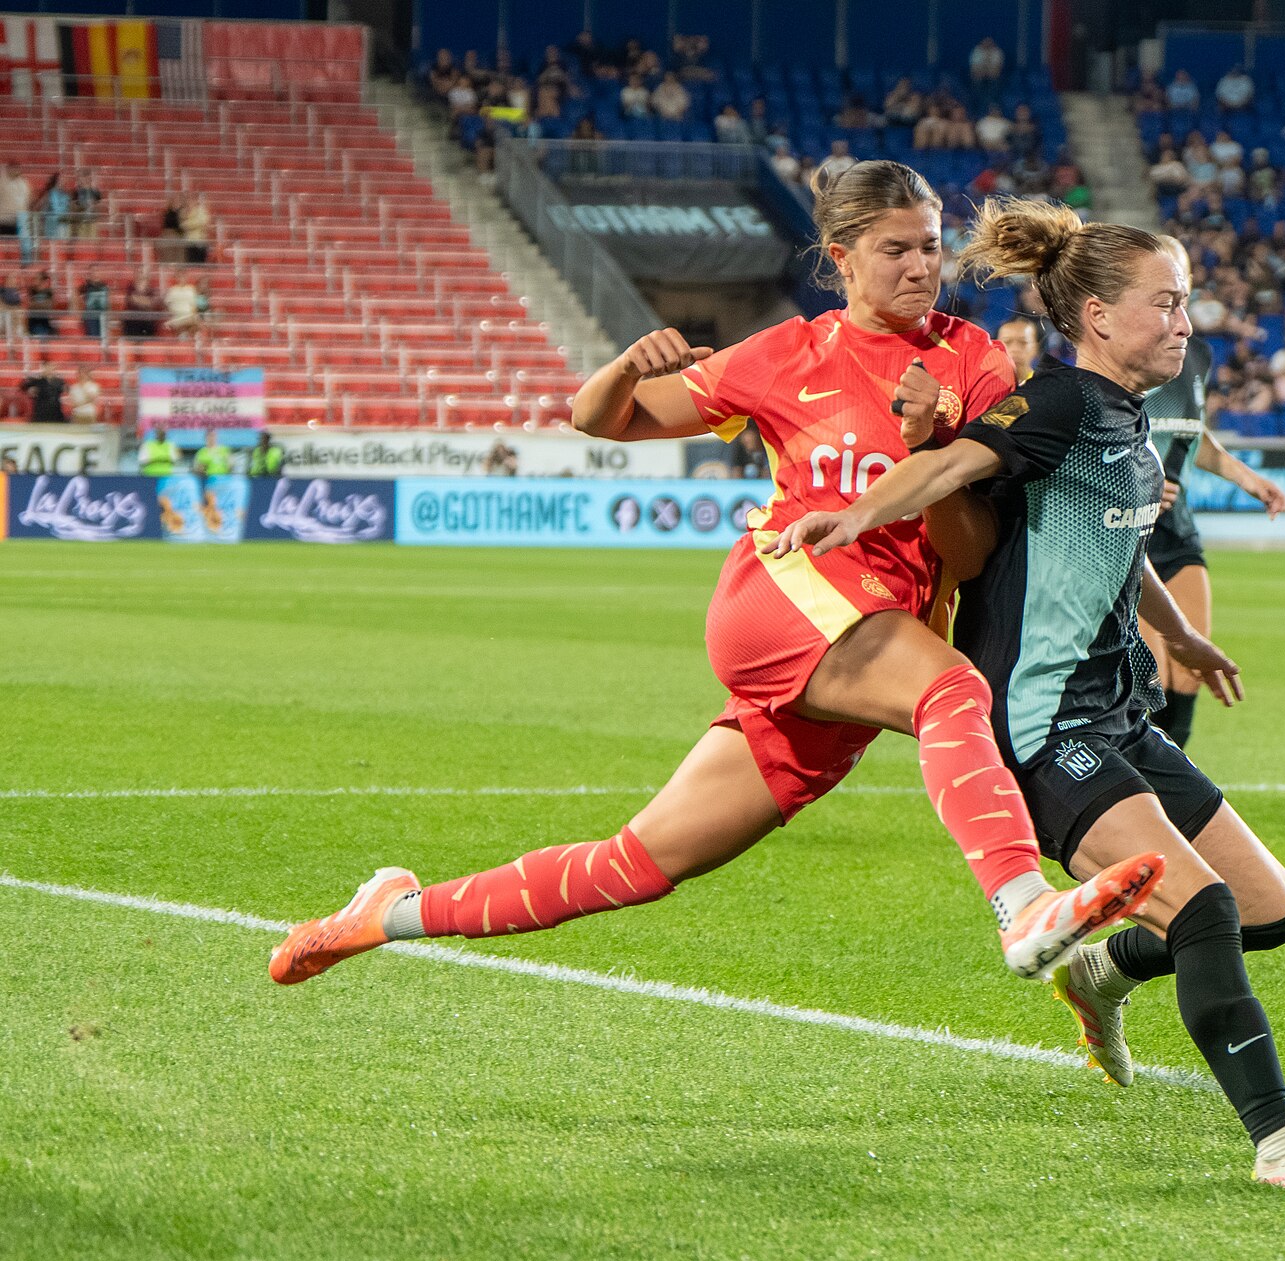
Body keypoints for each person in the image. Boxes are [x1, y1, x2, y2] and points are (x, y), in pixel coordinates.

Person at [268, 161, 1163, 995]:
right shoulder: (787, 355)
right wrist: (627, 362)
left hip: (870, 639)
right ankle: (1021, 905)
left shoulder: (975, 362)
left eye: (930, 245)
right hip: (786, 597)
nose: (920, 265)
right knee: (952, 690)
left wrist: (932, 443)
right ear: (841, 258)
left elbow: (965, 556)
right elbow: (601, 419)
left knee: (638, 863)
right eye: (896, 248)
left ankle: (382, 915)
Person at [773, 199, 1285, 1193]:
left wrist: (1180, 634)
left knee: (1274, 909)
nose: (1185, 321)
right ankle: (1283, 1145)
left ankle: (1102, 969)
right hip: (1040, 724)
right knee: (1207, 909)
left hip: (1116, 715)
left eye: (1187, 303)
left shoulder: (1127, 418)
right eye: (1165, 303)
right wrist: (855, 513)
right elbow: (954, 463)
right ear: (1096, 316)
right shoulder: (1055, 403)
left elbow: (1118, 547)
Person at [1138, 238, 1285, 748]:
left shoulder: (1196, 354)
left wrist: (1249, 480)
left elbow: (1189, 432)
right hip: (1127, 530)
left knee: (1190, 669)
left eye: (1179, 280)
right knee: (1149, 678)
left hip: (1178, 528)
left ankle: (1173, 788)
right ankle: (1139, 798)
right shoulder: (1117, 351)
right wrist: (1133, 482)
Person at [997, 314, 1042, 384]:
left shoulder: (1044, 387)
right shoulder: (986, 388)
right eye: (1007, 342)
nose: (1015, 349)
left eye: (1023, 343)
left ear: (1035, 348)